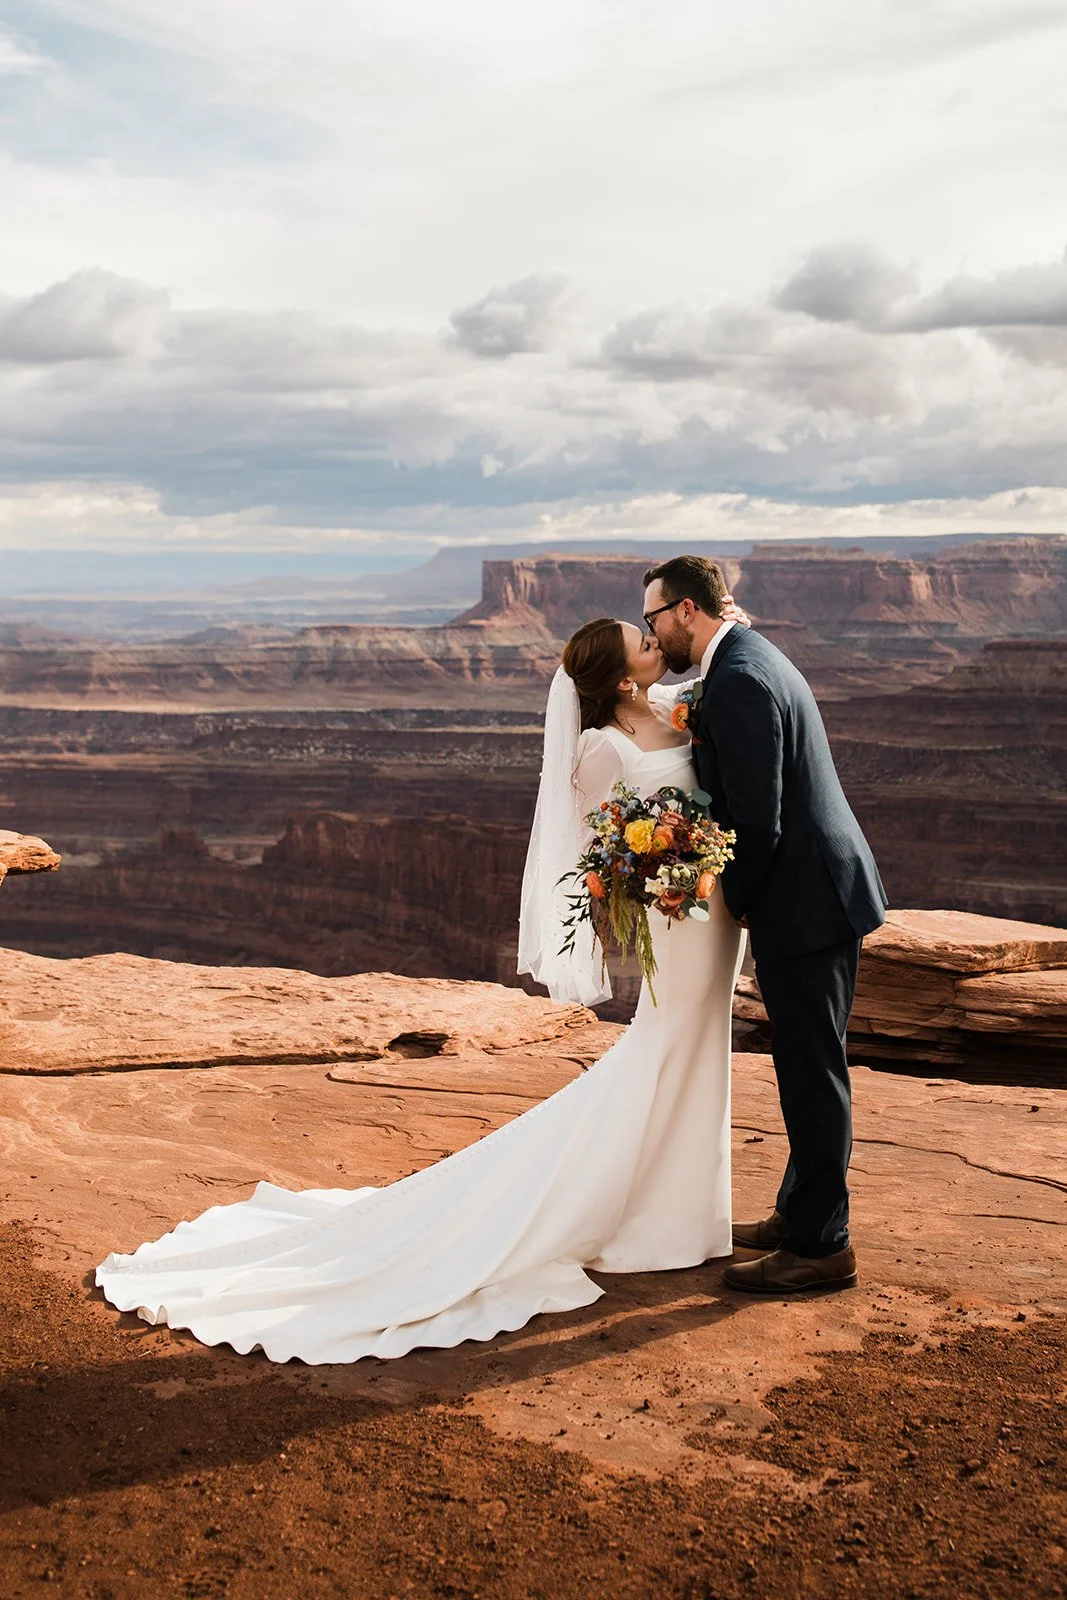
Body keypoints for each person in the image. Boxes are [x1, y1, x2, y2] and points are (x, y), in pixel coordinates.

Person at [95, 600, 747, 1363]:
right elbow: (598, 848)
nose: (653, 642)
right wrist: (660, 868)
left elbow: (721, 685)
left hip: (718, 908)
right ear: (615, 676)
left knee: (702, 1046)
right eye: (642, 640)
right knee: (666, 1043)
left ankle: (686, 1213)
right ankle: (644, 1221)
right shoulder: (600, 746)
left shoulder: (672, 706)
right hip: (677, 914)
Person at [643, 555, 888, 1295]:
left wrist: (735, 899)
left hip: (805, 900)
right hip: (814, 892)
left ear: (686, 610)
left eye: (653, 618)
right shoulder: (746, 658)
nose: (652, 634)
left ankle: (820, 1247)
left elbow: (755, 816)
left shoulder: (742, 677)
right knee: (805, 1066)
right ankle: (797, 1214)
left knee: (812, 1074)